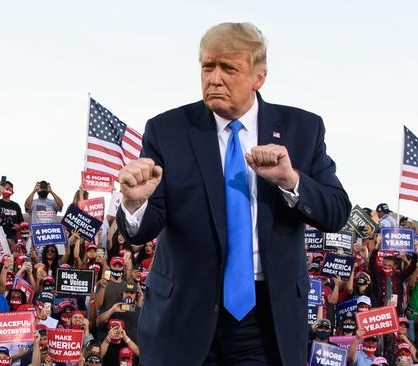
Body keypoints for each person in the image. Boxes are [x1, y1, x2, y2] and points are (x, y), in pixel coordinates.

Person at [115, 22, 351, 365]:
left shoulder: (303, 128)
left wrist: (290, 180)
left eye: (229, 68)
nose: (214, 78)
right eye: (208, 66)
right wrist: (135, 204)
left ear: (259, 77)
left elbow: (336, 211)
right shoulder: (167, 130)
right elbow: (145, 227)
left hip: (265, 320)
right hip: (184, 315)